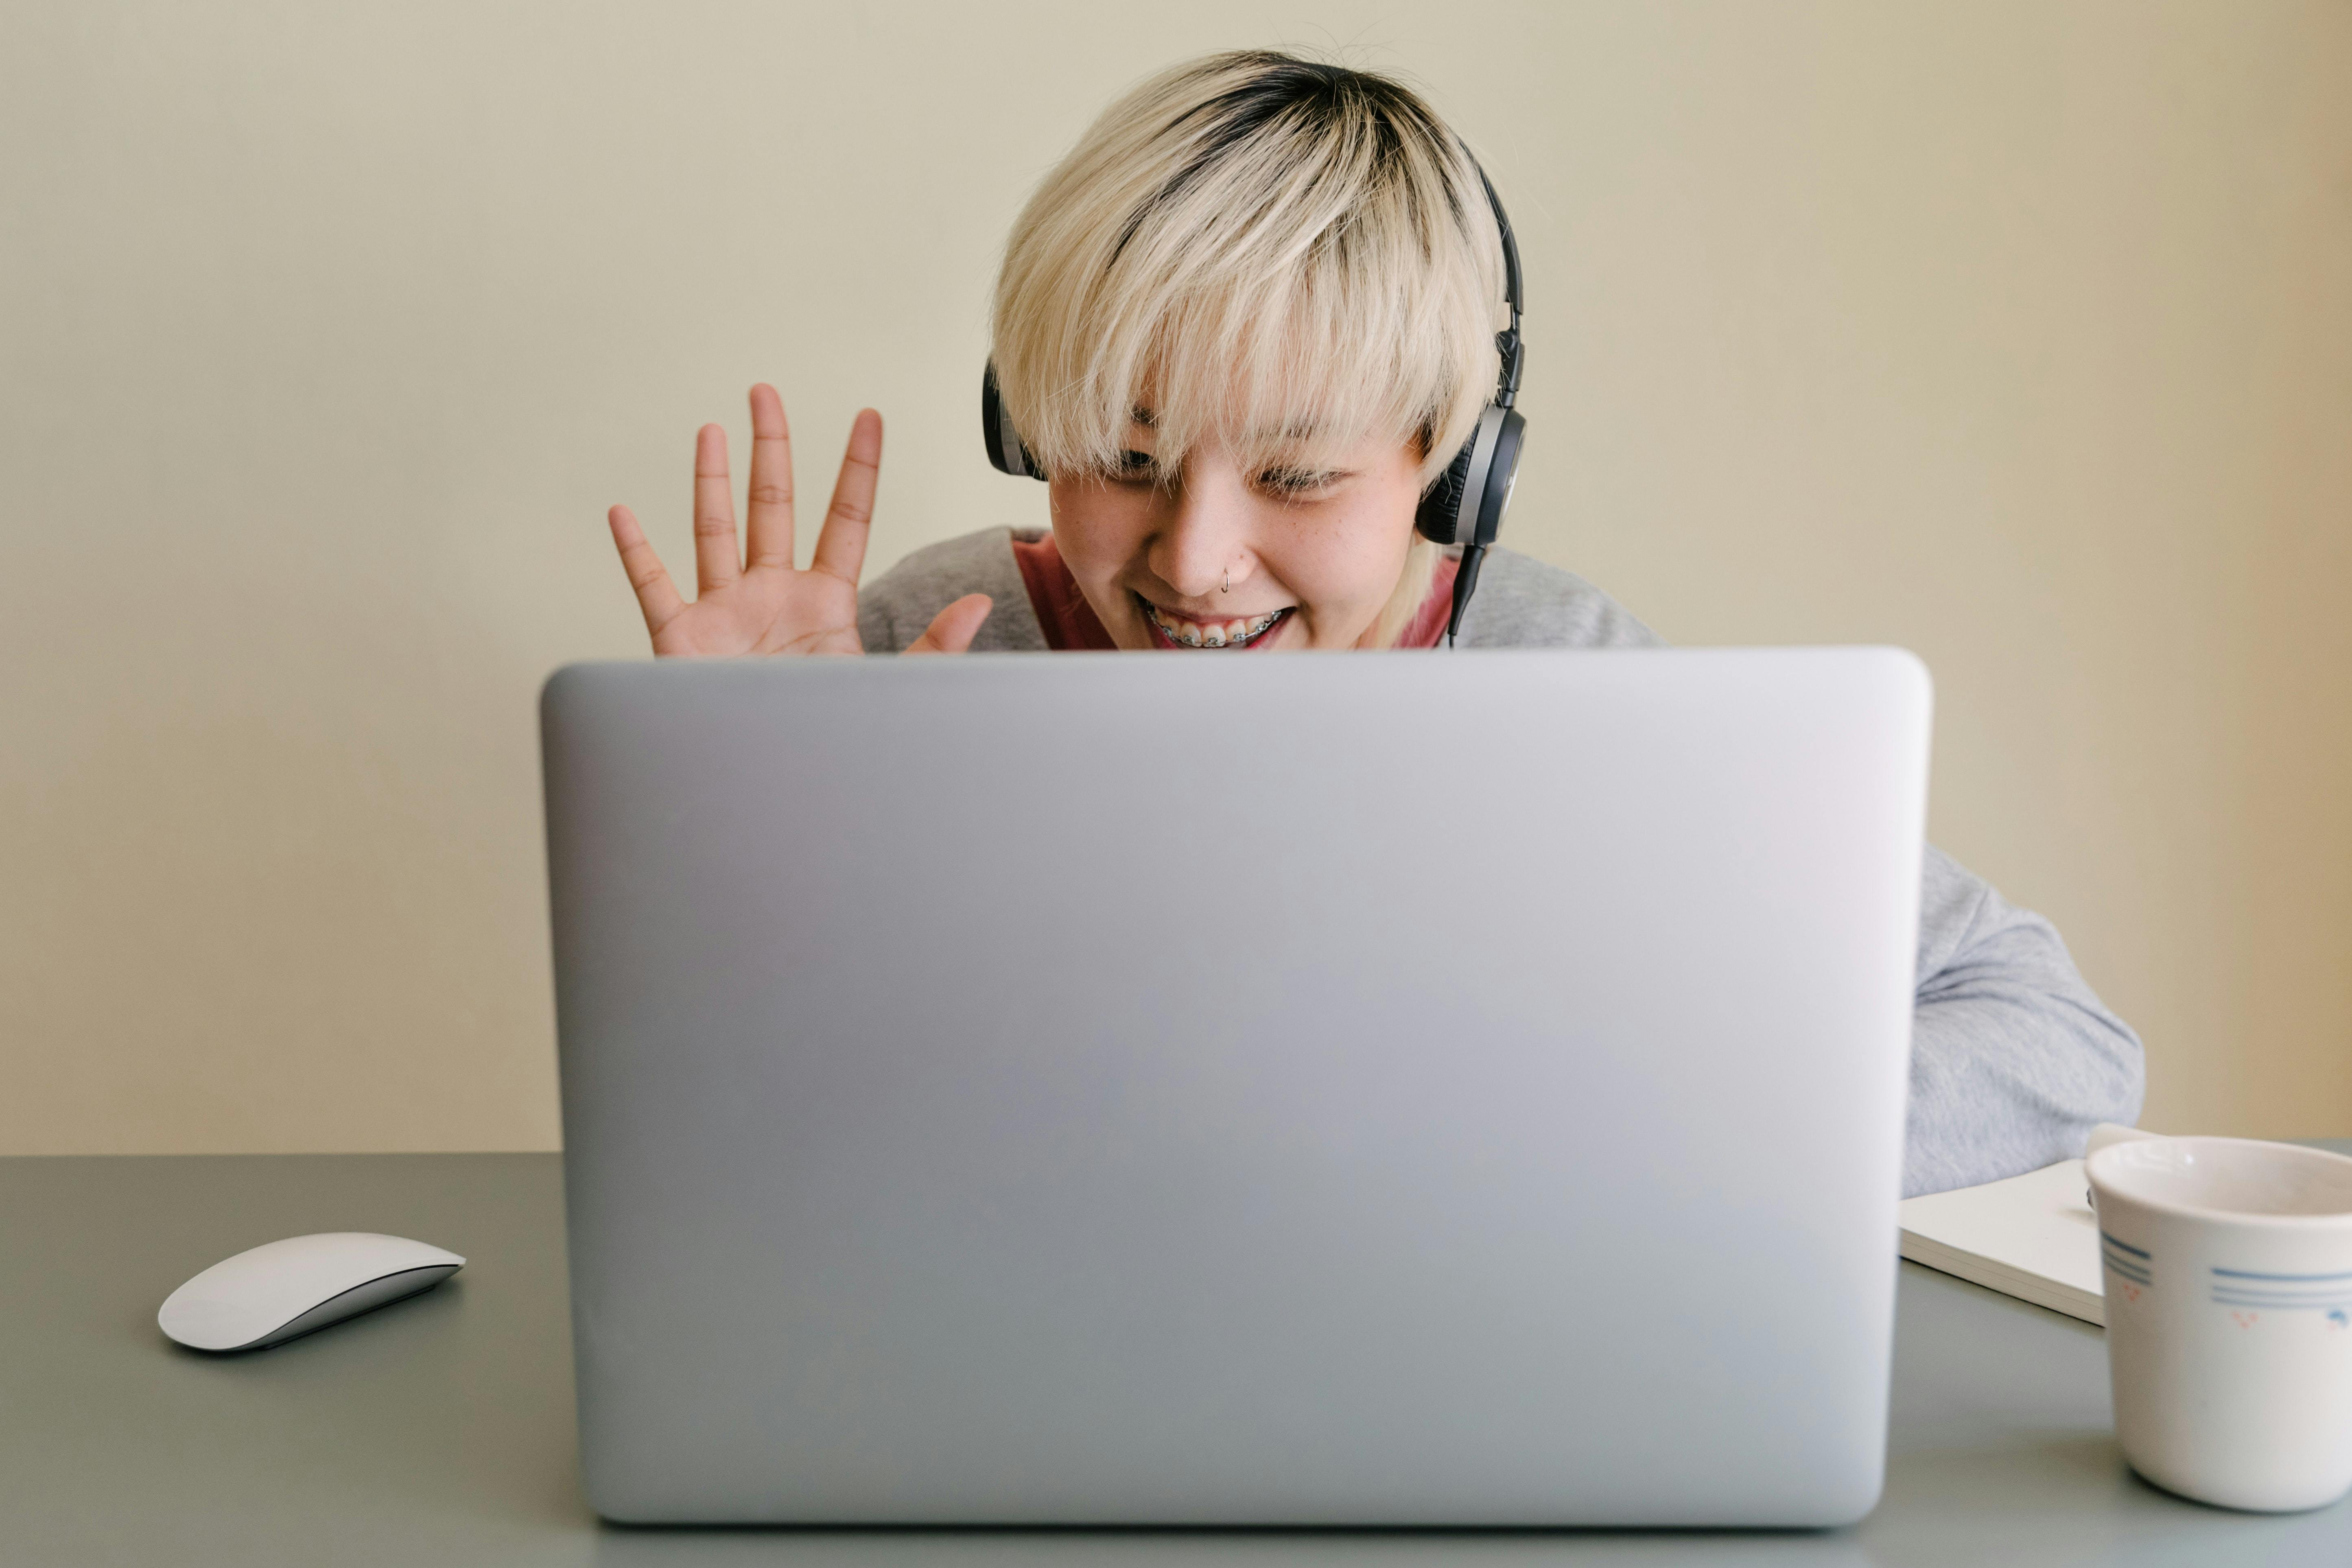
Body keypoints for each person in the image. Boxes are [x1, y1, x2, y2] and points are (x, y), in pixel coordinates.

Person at [603, 50, 2143, 1196]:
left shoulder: (1569, 684)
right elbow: (747, 1139)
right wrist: (738, 840)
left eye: (1295, 473)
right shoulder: (915, 650)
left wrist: (1642, 1136)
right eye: (1126, 460)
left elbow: (2056, 1040)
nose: (1197, 559)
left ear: (1451, 464)